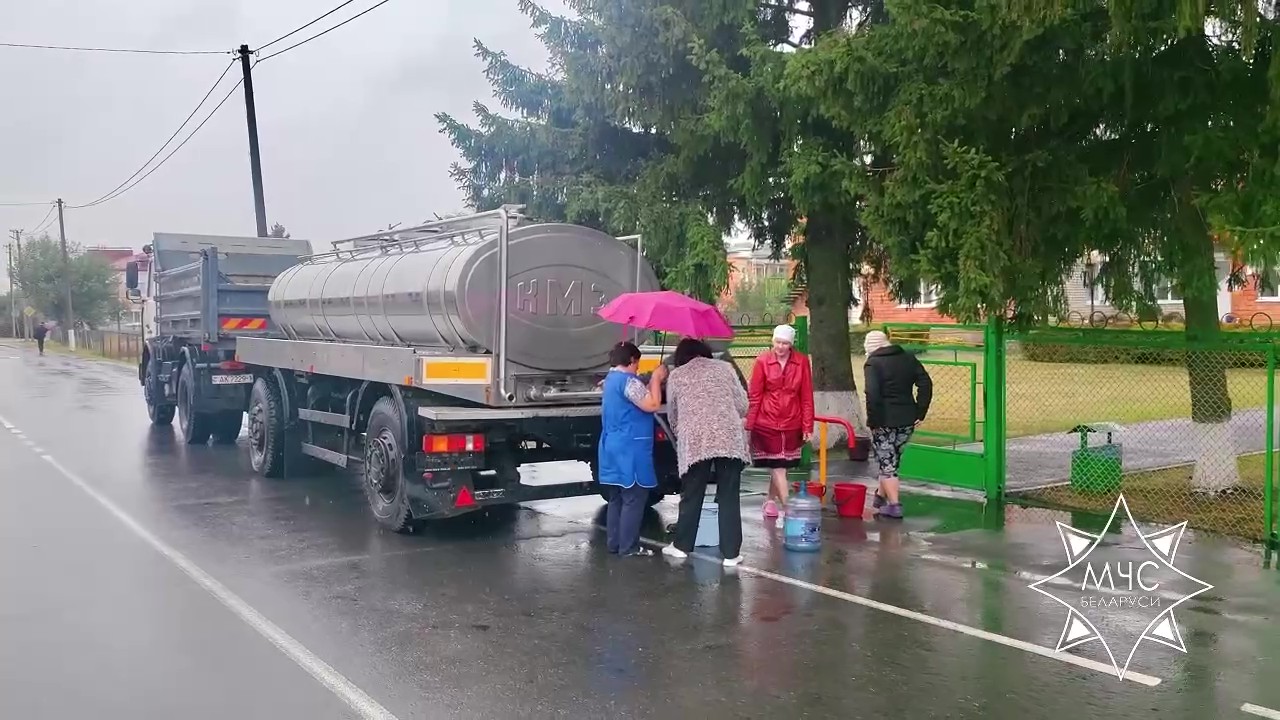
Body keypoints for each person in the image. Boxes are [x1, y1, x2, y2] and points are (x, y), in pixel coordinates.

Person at [662, 338, 751, 566]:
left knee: (692, 493)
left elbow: (673, 413)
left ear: (682, 356)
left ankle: (682, 546)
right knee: (729, 494)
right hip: (728, 437)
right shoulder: (725, 368)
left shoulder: (677, 375)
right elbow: (742, 404)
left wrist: (680, 429)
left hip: (695, 440)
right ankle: (731, 554)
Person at [599, 341, 666, 557]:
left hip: (612, 445)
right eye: (637, 363)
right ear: (631, 361)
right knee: (634, 498)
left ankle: (614, 544)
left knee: (617, 497)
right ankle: (629, 547)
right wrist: (656, 379)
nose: (638, 368)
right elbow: (652, 404)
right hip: (631, 447)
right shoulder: (629, 382)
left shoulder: (610, 380)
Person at [745, 324, 814, 527]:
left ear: (791, 344)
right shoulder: (762, 361)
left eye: (785, 343)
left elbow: (806, 396)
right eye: (777, 342)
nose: (781, 347)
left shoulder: (801, 362)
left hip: (792, 421)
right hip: (766, 422)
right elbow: (755, 395)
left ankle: (769, 501)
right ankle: (789, 509)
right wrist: (750, 424)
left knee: (782, 465)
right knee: (778, 467)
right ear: (772, 341)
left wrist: (807, 426)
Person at [862, 330, 933, 519]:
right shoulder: (908, 358)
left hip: (884, 420)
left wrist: (873, 421)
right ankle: (880, 497)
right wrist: (920, 411)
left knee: (887, 463)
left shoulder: (873, 363)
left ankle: (894, 506)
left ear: (870, 347)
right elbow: (926, 383)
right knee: (891, 461)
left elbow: (873, 394)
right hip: (907, 419)